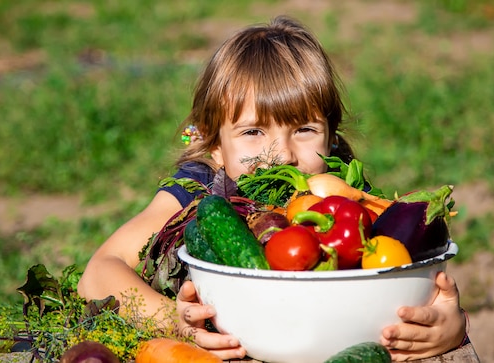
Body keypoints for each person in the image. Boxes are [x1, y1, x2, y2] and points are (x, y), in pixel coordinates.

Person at [77, 15, 468, 361]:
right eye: (252, 132)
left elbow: (408, 274)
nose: (281, 154)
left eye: (304, 130)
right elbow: (98, 273)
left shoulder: (346, 194)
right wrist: (173, 320)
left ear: (332, 137)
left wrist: (451, 324)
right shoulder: (196, 188)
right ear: (215, 144)